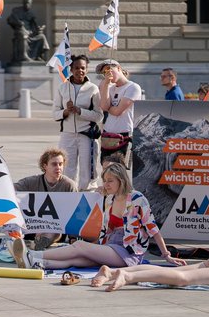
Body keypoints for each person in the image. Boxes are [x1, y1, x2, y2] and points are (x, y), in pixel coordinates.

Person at [12, 162, 181, 274]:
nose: (106, 184)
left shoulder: (137, 199)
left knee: (78, 245)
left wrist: (166, 255)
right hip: (111, 246)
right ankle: (34, 262)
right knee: (78, 259)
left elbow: (153, 229)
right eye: (105, 181)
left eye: (110, 181)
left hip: (128, 252)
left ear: (121, 180)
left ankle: (33, 254)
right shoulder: (110, 199)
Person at [13, 148, 79, 249]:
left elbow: (75, 212)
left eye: (60, 164)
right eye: (54, 164)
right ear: (45, 166)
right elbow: (10, 190)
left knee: (53, 232)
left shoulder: (69, 185)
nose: (58, 167)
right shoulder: (32, 182)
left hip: (56, 228)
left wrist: (73, 238)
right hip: (33, 226)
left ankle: (38, 245)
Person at [53, 54, 100, 189]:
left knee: (87, 169)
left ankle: (87, 193)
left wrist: (80, 111)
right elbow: (55, 114)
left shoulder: (93, 89)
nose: (80, 71)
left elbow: (99, 115)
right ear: (71, 69)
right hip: (67, 135)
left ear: (87, 69)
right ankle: (68, 193)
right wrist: (65, 112)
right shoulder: (62, 88)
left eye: (83, 68)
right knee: (67, 168)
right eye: (77, 68)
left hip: (86, 135)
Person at [96, 59, 142, 169]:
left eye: (109, 69)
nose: (107, 74)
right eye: (104, 73)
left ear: (118, 68)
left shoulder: (133, 87)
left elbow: (117, 111)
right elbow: (103, 107)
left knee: (120, 170)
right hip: (108, 133)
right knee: (106, 167)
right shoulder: (110, 88)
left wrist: (109, 107)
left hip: (125, 133)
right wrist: (106, 85)